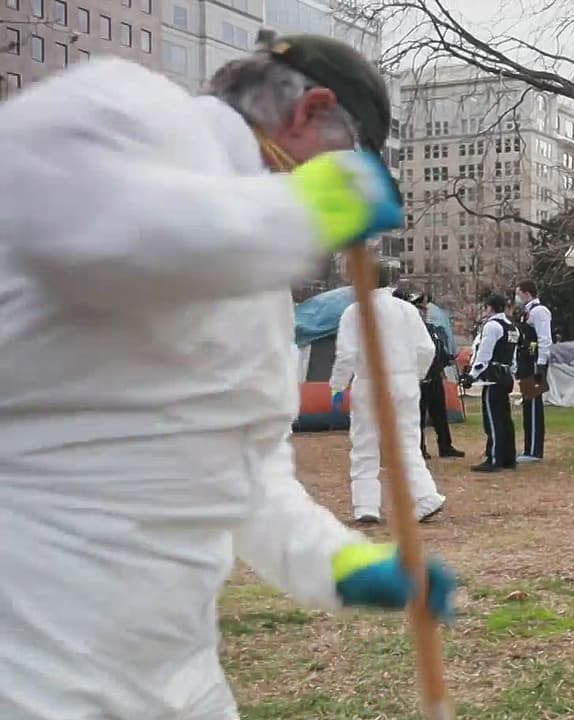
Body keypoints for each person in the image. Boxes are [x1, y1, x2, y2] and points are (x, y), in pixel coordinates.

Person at [0, 36, 454, 720]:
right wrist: (303, 213)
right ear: (312, 110)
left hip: (174, 656)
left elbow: (246, 470)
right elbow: (82, 235)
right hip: (35, 639)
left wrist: (338, 562)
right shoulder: (125, 108)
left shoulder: (259, 287)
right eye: (355, 159)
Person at [331, 267, 447, 525]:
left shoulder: (354, 312)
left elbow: (346, 355)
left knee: (365, 444)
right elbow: (426, 348)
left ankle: (366, 505)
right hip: (405, 382)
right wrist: (414, 376)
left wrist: (337, 386)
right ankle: (425, 495)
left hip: (370, 382)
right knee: (407, 443)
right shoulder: (407, 310)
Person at [462, 294, 521, 472]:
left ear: (490, 308)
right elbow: (513, 356)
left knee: (493, 419)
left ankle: (494, 458)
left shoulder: (492, 326)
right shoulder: (512, 327)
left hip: (492, 378)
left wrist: (472, 375)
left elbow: (484, 354)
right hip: (505, 375)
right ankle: (509, 457)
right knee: (504, 417)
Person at [409, 293, 465, 460]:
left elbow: (440, 350)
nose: (424, 312)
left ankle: (445, 446)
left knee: (439, 412)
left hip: (434, 375)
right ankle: (419, 448)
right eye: (420, 308)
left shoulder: (433, 329)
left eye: (425, 308)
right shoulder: (409, 331)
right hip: (417, 376)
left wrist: (445, 362)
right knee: (418, 414)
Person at [515, 280, 552, 463]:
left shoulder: (539, 312)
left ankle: (534, 450)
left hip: (535, 363)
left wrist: (541, 363)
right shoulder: (525, 313)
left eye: (519, 293)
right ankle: (528, 447)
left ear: (526, 293)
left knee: (534, 405)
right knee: (527, 405)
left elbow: (544, 339)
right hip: (526, 362)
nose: (517, 297)